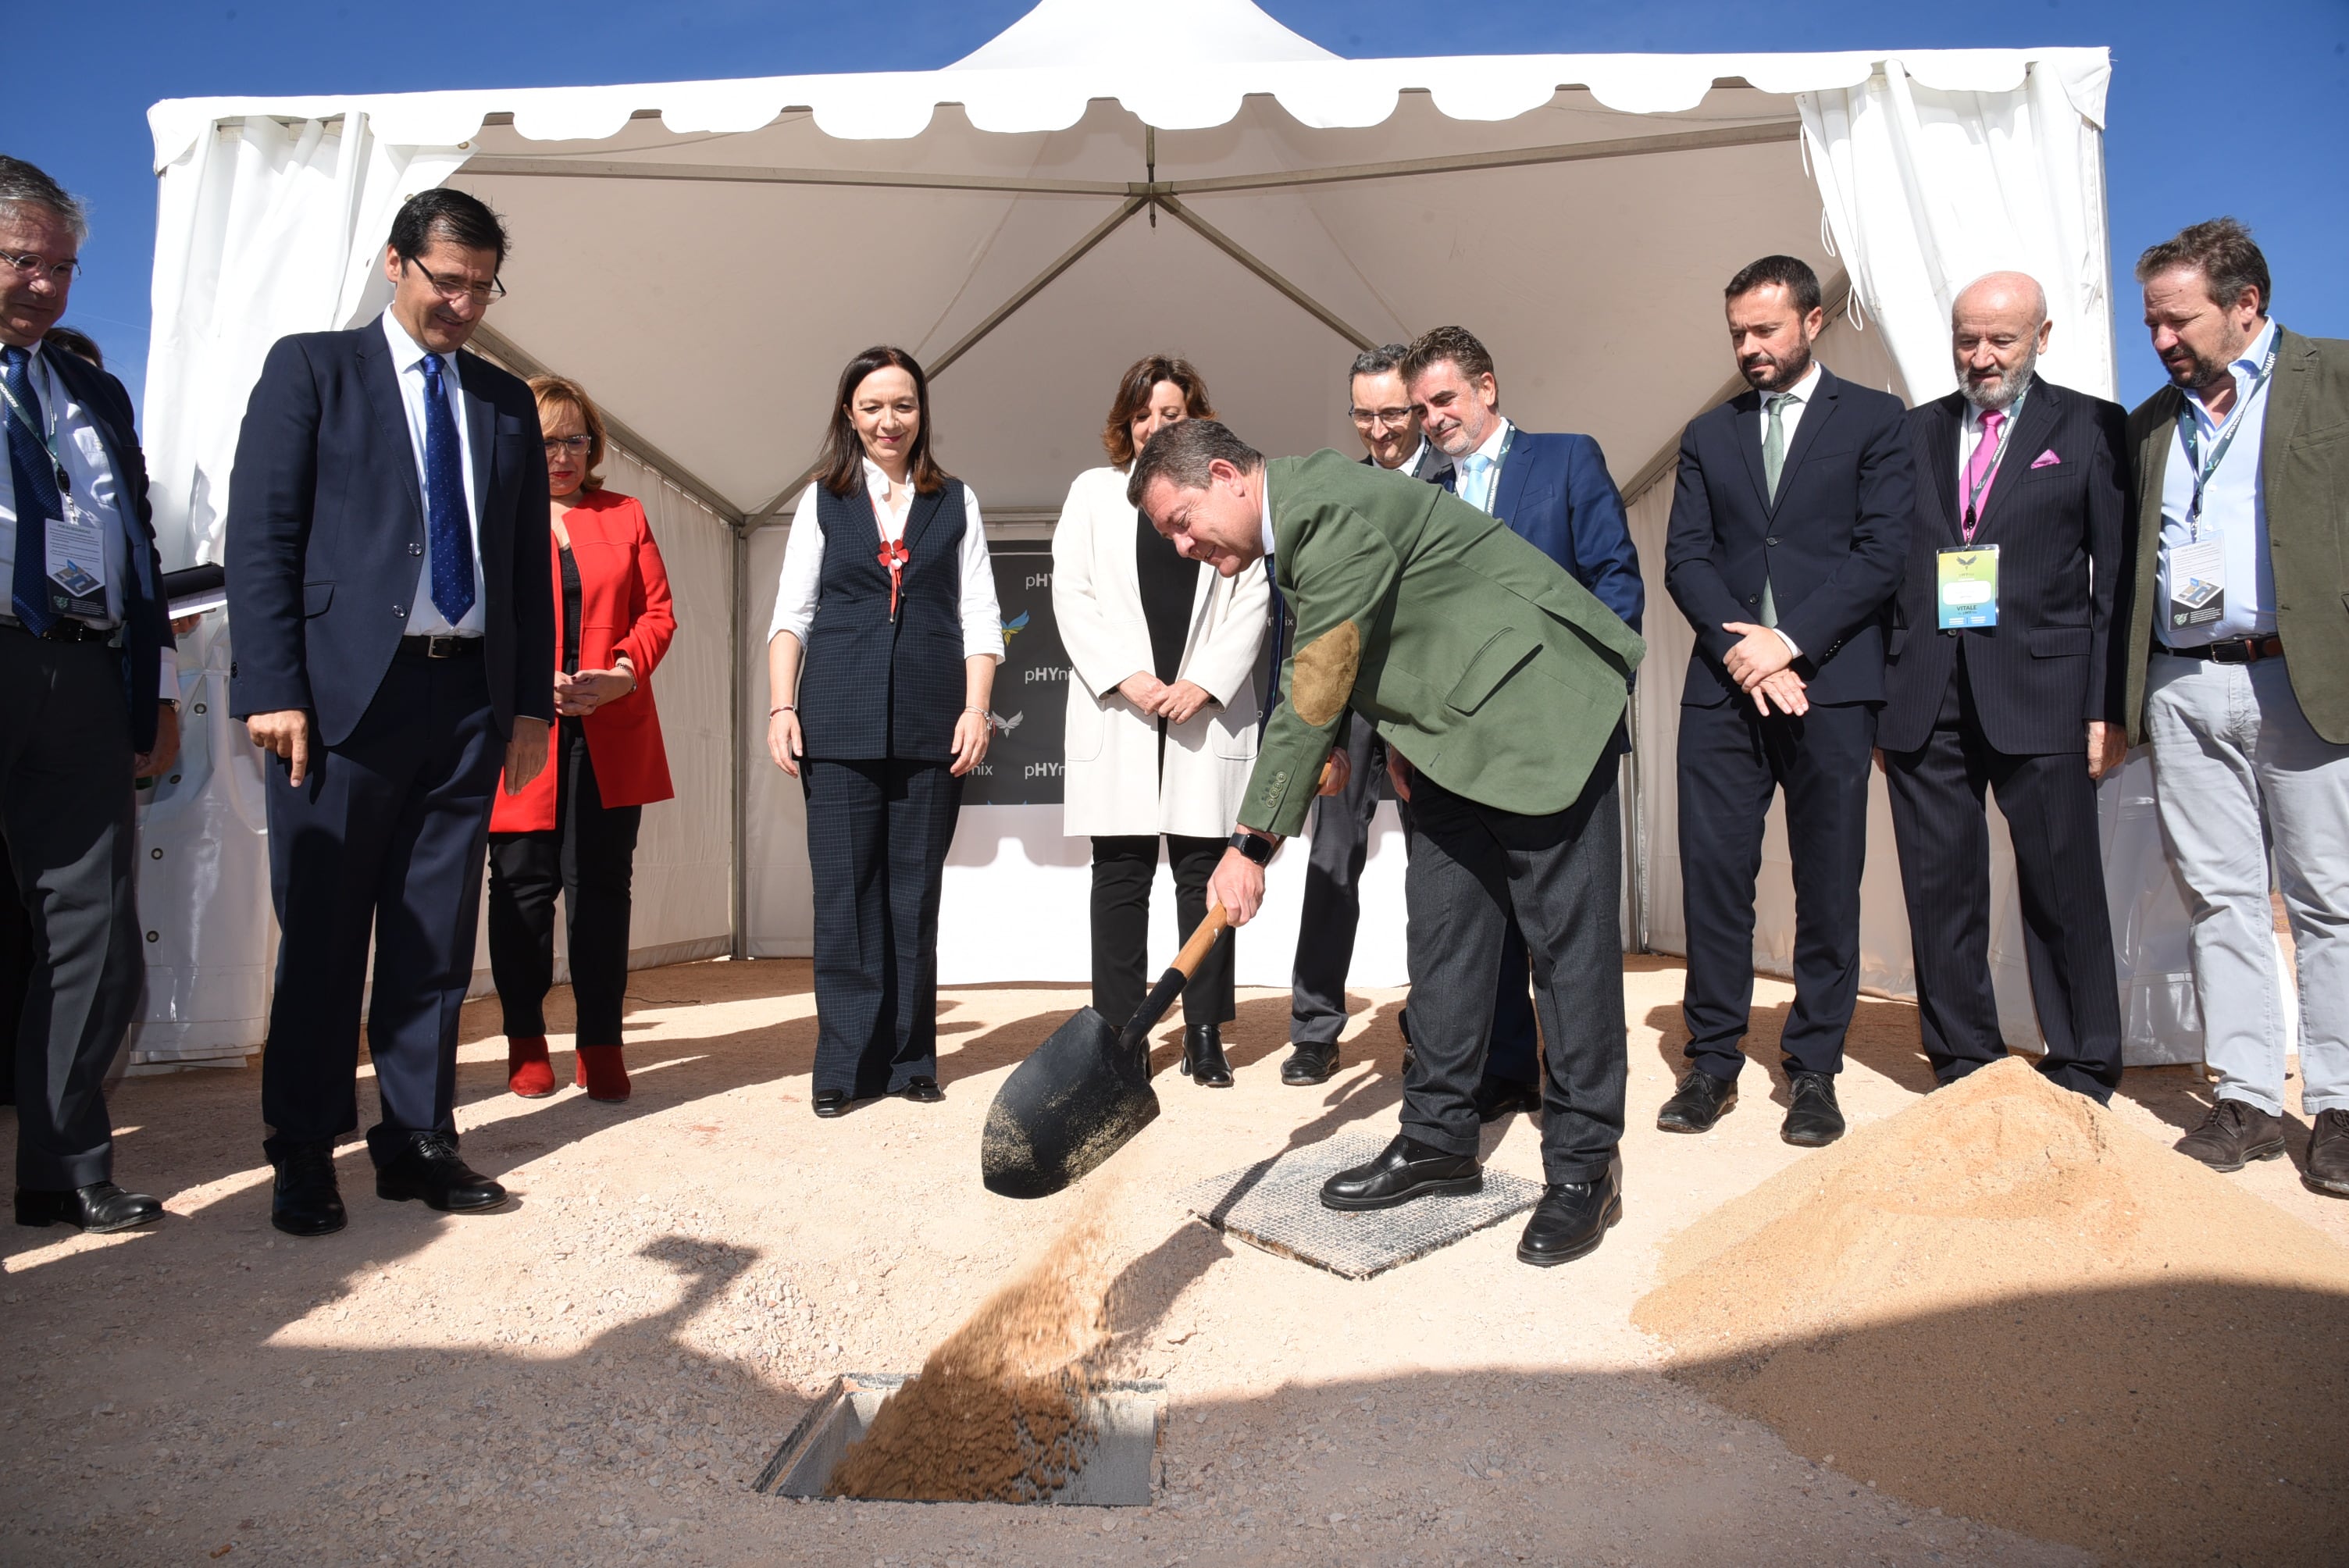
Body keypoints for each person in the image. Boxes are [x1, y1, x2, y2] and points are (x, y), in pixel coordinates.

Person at [1133, 419, 1647, 1267]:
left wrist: (1249, 845)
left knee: (1566, 953)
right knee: (1443, 941)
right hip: (1446, 740)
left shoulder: (1325, 513)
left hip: (1541, 722)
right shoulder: (1296, 522)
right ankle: (1439, 1141)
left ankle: (1585, 1166)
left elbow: (1315, 687)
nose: (1182, 545)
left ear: (1224, 475)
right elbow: (1405, 629)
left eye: (1181, 521)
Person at [226, 187, 553, 1238]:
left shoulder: (505, 402)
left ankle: (417, 1139)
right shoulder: (312, 370)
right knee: (324, 933)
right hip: (337, 703)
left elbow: (521, 571)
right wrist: (272, 685)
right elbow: (262, 538)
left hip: (466, 699)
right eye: (445, 279)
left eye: (481, 285)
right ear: (394, 264)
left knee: (433, 937)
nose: (462, 302)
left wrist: (529, 708)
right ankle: (304, 1150)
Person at [2116, 219, 2349, 1193]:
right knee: (2218, 899)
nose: (2161, 339)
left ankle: (2336, 1105)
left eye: (2177, 320)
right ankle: (2248, 1095)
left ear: (2244, 304)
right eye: (2150, 324)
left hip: (2307, 677)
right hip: (2181, 684)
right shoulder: (2147, 427)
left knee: (2330, 900)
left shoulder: (2334, 379)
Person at [1659, 255, 1912, 1148]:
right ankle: (1713, 1061)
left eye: (1764, 329)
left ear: (1811, 322)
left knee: (1826, 883)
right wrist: (1744, 649)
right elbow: (1684, 558)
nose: (1748, 347)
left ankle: (1813, 1070)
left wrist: (1789, 641)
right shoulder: (1706, 433)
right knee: (1716, 880)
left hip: (1831, 687)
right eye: (1736, 332)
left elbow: (1881, 555)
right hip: (1724, 691)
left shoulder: (1878, 422)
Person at [1879, 272, 2128, 1103]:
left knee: (2062, 886)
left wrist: (2105, 705)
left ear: (2041, 337)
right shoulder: (1909, 434)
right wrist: (1884, 696)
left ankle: (2083, 1062)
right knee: (1937, 887)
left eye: (2000, 340)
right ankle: (1962, 1063)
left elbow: (2113, 585)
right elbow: (1879, 571)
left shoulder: (2092, 428)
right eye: (1965, 340)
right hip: (1925, 696)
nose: (1980, 357)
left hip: (2045, 693)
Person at [1396, 325, 1645, 1120]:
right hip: (1458, 757)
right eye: (1419, 408)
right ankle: (1502, 1076)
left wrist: (1587, 706)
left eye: (1442, 398)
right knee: (1469, 936)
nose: (1431, 418)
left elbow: (1615, 583)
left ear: (1486, 387)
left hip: (1559, 744)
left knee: (1568, 941)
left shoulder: (1567, 458)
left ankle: (1582, 1130)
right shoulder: (1417, 497)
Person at [0, 157, 176, 1232]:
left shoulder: (89, 389)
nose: (46, 287)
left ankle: (64, 1169)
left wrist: (147, 690)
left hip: (78, 668)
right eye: (23, 261)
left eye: (61, 268)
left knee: (91, 928)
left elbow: (138, 548)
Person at [766, 347, 1002, 1117]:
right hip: (834, 724)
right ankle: (842, 1065)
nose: (887, 420)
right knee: (843, 898)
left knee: (912, 900)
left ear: (920, 412)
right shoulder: (822, 500)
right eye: (871, 406)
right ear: (848, 414)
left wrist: (974, 709)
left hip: (933, 727)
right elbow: (790, 616)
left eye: (901, 405)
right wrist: (781, 707)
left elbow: (981, 618)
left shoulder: (955, 500)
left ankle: (910, 1060)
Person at [1053, 356, 1265, 1086]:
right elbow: (1070, 593)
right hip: (1123, 709)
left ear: (1196, 420)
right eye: (1143, 415)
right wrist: (1129, 678)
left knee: (1205, 874)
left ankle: (1204, 1032)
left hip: (1202, 714)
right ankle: (1120, 1033)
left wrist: (1203, 684)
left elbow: (1252, 594)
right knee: (1119, 873)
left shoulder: (1223, 491)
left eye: (1170, 415)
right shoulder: (1091, 494)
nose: (1153, 427)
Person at [487, 376, 676, 1105]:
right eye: (546, 441)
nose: (563, 455)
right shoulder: (493, 516)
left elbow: (657, 614)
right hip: (520, 734)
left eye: (576, 440)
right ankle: (525, 1039)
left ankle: (601, 1042)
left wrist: (622, 673)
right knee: (522, 891)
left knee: (601, 893)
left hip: (610, 728)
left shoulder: (624, 513)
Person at [1281, 344, 1445, 1087]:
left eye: (1392, 413)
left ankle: (1433, 1025)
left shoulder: (1455, 477)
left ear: (1417, 406)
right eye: (1365, 415)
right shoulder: (1334, 487)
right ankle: (1315, 1027)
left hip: (1427, 701)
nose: (1379, 430)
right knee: (1330, 856)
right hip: (1346, 702)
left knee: (1437, 866)